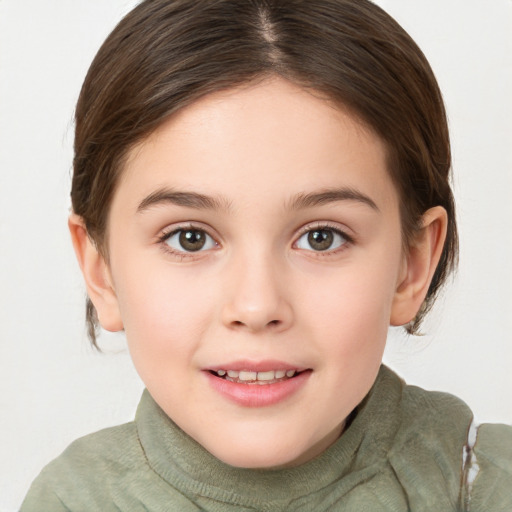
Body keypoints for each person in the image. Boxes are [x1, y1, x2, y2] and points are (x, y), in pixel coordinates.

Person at [21, 0, 512, 510]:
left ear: (411, 266)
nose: (256, 307)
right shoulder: (71, 500)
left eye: (322, 237)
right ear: (101, 271)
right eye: (189, 238)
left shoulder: (483, 487)